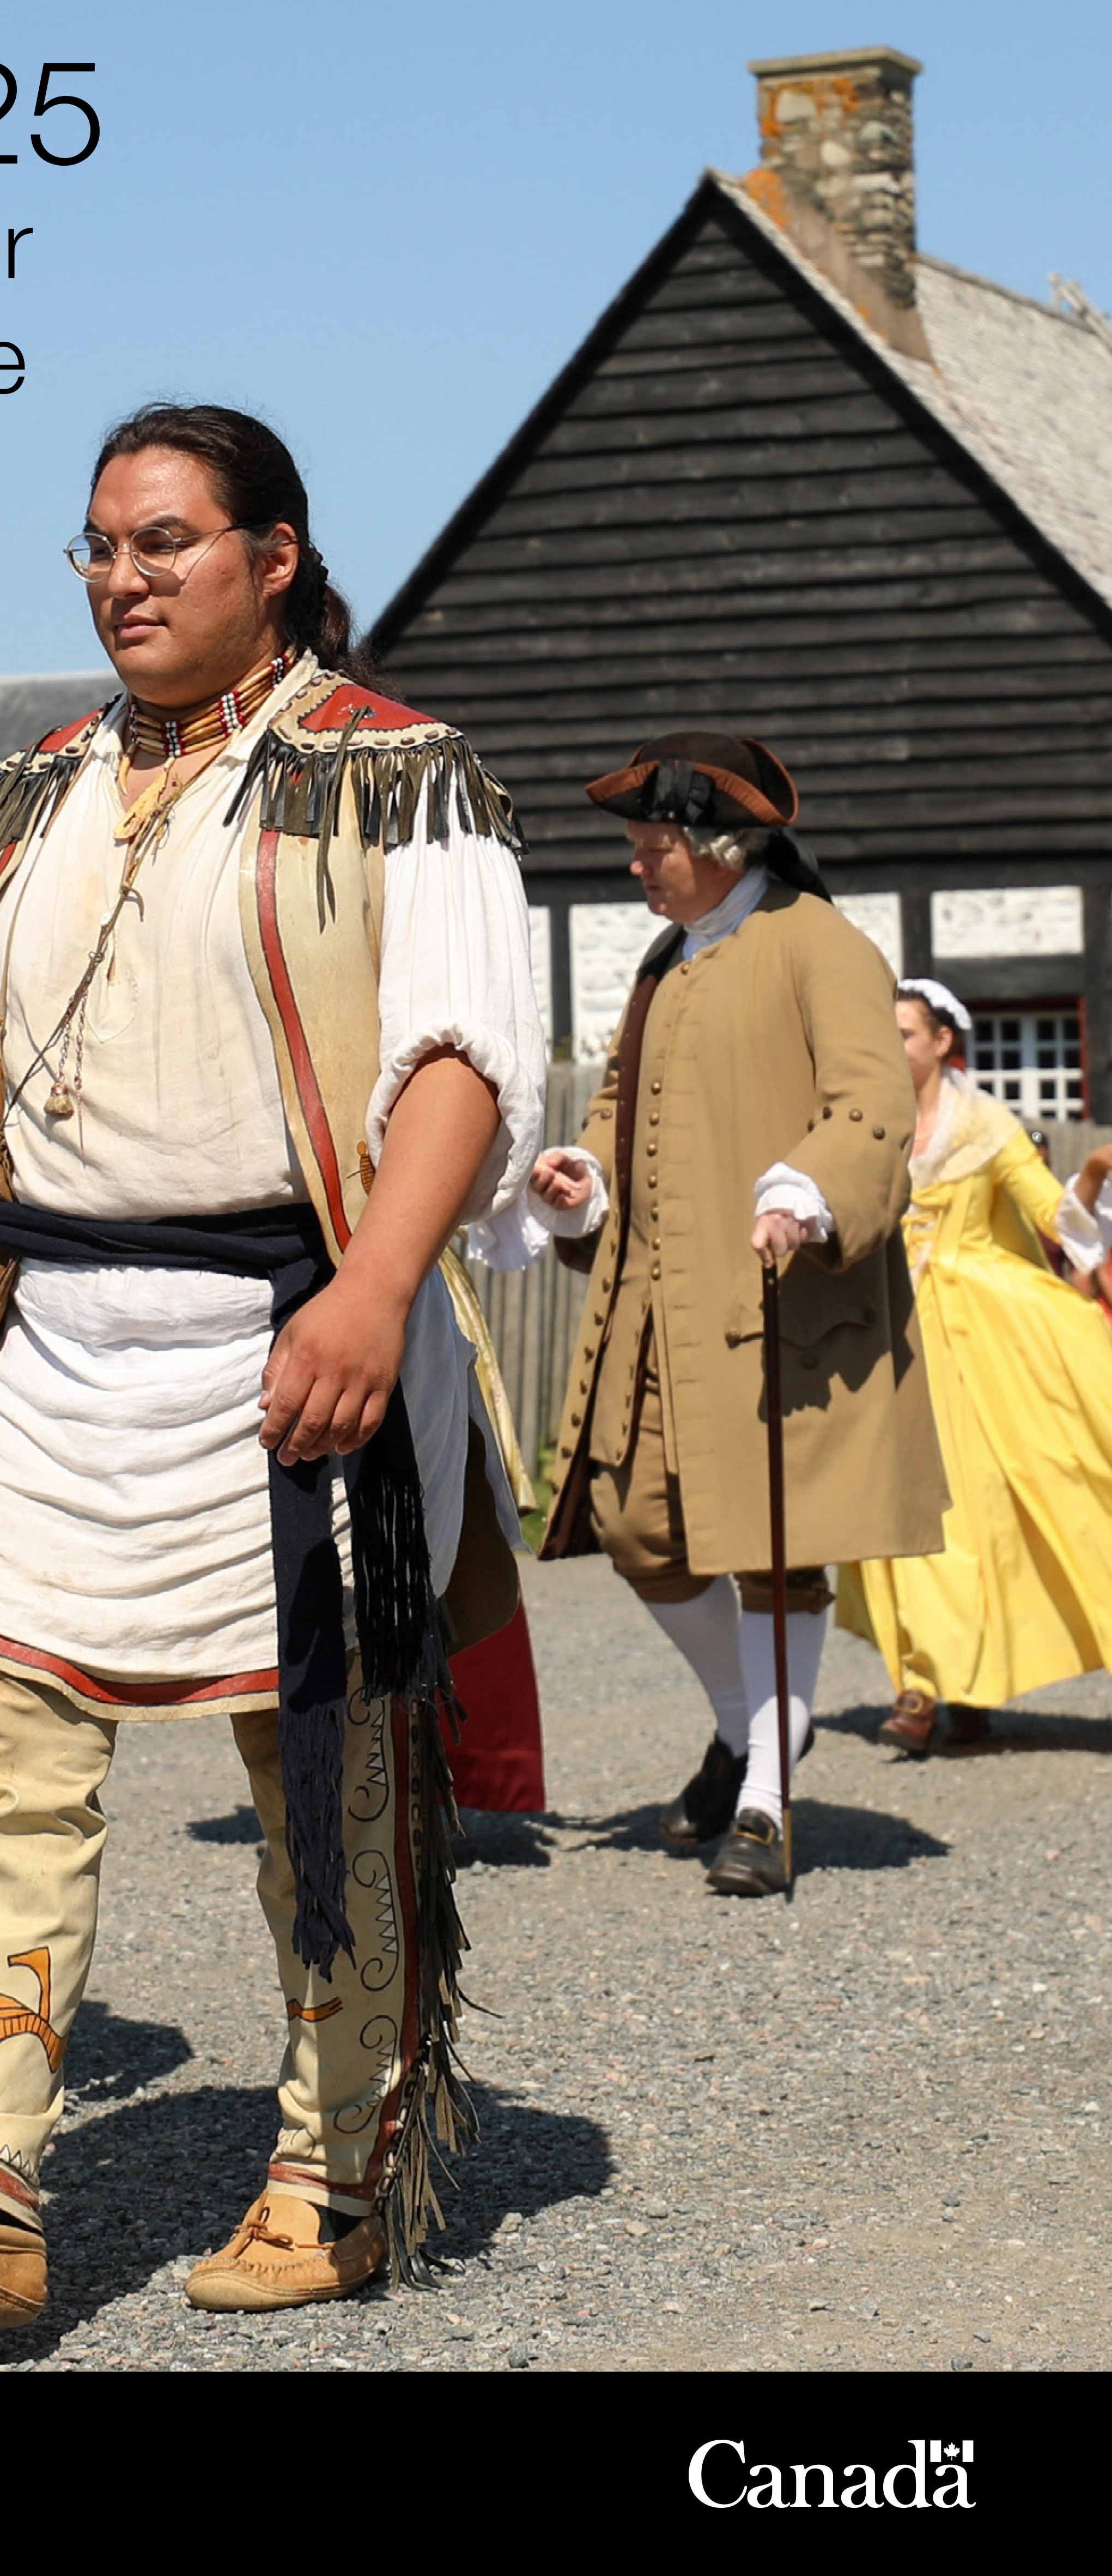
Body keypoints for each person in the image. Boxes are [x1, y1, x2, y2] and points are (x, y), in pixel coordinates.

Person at [0, 402, 545, 2333]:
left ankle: (338, 2163)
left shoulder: (403, 774)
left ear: (273, 556)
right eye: (100, 550)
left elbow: (461, 1055)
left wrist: (377, 1290)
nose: (124, 580)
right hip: (59, 1339)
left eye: (166, 545)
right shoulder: (27, 795)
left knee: (330, 1785)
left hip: (295, 1333)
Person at [530, 733, 945, 1895]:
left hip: (780, 1309)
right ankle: (749, 1721)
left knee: (776, 1552)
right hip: (660, 1313)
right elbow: (622, 1110)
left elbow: (871, 1107)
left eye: (650, 845)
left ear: (718, 846)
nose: (636, 866)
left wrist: (803, 1188)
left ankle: (765, 1790)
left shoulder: (822, 944)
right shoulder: (668, 958)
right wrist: (586, 1183)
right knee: (636, 1529)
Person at [836, 977, 1112, 1752]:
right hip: (893, 1339)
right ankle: (929, 1679)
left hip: (987, 1339)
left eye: (903, 1036)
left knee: (992, 1513)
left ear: (941, 1042)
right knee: (905, 1507)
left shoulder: (989, 1127)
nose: (890, 1049)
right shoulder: (869, 1127)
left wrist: (1092, 1167)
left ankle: (947, 1684)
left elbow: (1054, 1218)